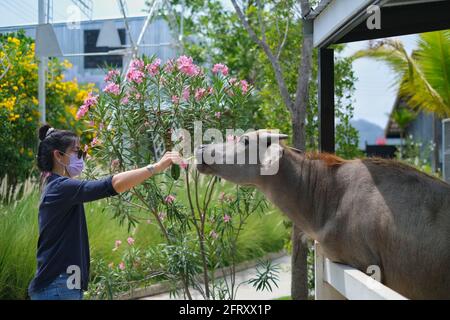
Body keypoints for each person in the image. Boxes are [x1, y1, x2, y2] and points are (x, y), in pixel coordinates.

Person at [28, 124, 183, 300]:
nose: (82, 157)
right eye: (77, 152)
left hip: (63, 286)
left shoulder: (57, 187)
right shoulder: (60, 188)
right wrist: (157, 166)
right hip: (58, 287)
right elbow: (112, 185)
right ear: (58, 155)